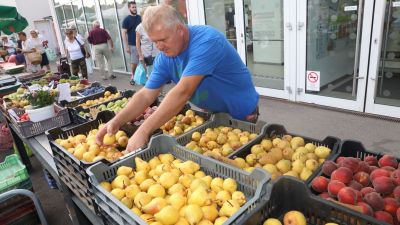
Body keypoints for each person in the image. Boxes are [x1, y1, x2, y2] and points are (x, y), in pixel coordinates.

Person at [96, 4, 259, 153]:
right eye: (154, 41)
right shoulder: (165, 57)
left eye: (163, 40)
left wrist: (144, 131)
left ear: (180, 30)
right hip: (214, 117)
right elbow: (146, 94)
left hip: (241, 117)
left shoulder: (207, 41)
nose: (159, 47)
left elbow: (182, 92)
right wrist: (116, 121)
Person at [136, 8, 159, 79]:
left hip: (157, 52)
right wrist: (140, 55)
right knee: (150, 73)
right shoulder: (139, 28)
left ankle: (159, 89)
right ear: (142, 16)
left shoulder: (153, 25)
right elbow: (137, 42)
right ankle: (152, 88)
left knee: (158, 72)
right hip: (147, 54)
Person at [122, 1, 141, 81]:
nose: (134, 8)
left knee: (144, 60)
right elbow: (124, 33)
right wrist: (126, 46)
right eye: (133, 7)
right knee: (134, 62)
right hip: (133, 44)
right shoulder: (126, 20)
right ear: (129, 8)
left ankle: (142, 76)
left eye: (135, 7)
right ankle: (133, 75)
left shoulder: (140, 18)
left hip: (142, 44)